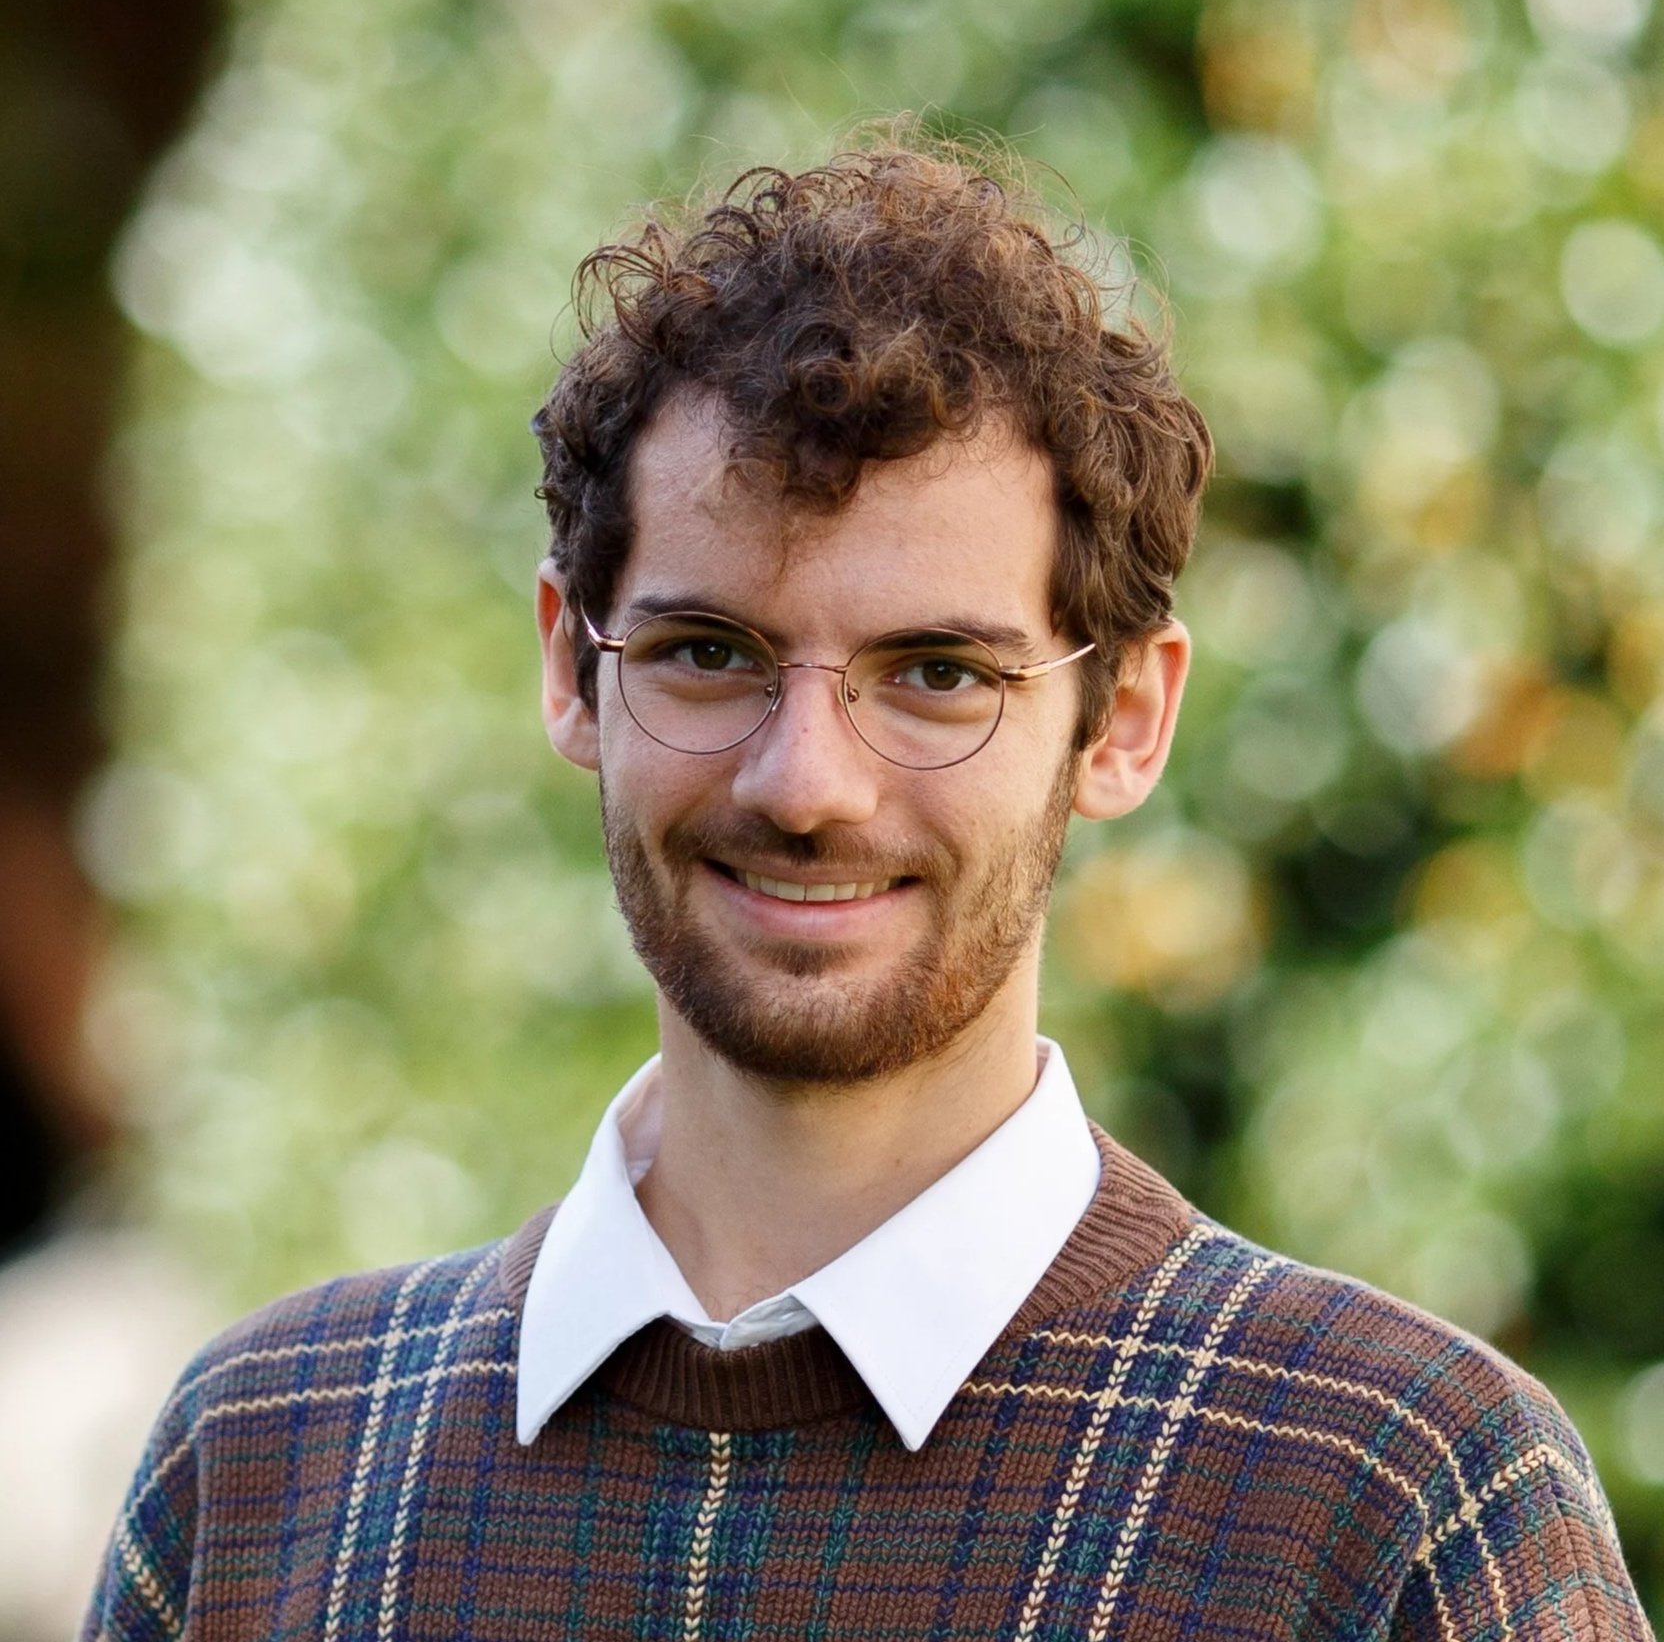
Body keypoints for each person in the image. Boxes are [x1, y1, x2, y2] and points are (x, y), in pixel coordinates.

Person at [85, 131, 1651, 1642]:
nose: (808, 785)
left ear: (1125, 721)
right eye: (709, 654)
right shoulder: (263, 1473)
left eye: (937, 675)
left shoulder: (1393, 1499)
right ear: (571, 667)